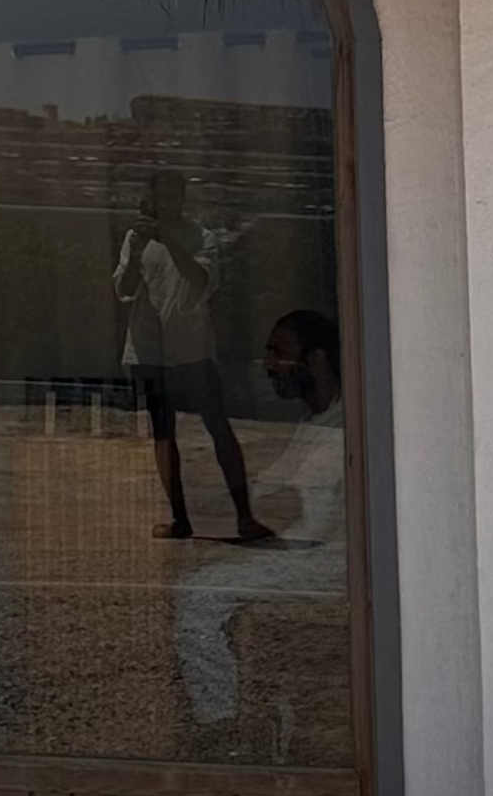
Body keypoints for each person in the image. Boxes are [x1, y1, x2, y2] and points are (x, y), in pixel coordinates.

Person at [173, 310, 346, 745]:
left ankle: (219, 722)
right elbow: (270, 489)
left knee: (199, 594)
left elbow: (296, 514)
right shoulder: (313, 423)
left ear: (317, 360)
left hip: (327, 560)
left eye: (279, 353)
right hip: (302, 549)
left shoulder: (344, 428)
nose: (269, 366)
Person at [116, 171, 268, 541]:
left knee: (218, 428)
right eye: (160, 196)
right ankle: (179, 519)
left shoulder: (203, 237)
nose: (166, 202)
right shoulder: (136, 238)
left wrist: (168, 240)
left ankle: (245, 517)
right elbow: (124, 289)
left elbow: (199, 281)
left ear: (182, 198)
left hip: (192, 351)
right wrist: (136, 250)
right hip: (150, 352)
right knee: (163, 435)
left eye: (172, 195)